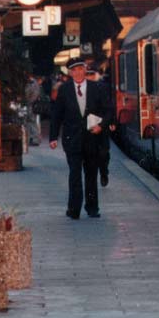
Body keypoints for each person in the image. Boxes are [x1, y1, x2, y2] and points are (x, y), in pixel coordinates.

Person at [49, 58, 114, 219]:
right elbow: (57, 114)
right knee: (74, 174)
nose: (77, 73)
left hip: (92, 138)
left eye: (80, 69)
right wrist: (53, 137)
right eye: (74, 70)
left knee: (91, 174)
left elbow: (108, 110)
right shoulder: (64, 90)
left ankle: (92, 208)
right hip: (72, 139)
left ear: (85, 70)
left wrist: (101, 126)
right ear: (70, 73)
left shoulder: (96, 88)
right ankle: (74, 209)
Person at [24, 73, 43, 146]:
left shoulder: (32, 83)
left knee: (31, 121)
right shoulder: (33, 83)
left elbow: (33, 95)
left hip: (31, 105)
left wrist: (29, 102)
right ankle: (32, 138)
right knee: (30, 122)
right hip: (30, 104)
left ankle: (35, 139)